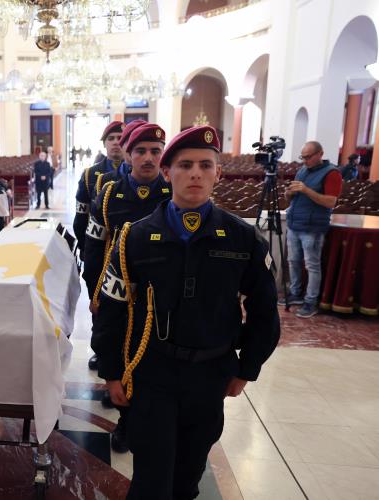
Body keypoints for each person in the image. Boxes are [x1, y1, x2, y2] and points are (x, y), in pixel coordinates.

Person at [92, 125, 280, 500]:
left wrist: (247, 368)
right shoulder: (135, 237)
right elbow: (112, 312)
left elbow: (264, 310)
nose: (196, 173)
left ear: (218, 173)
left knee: (188, 477)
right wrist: (112, 372)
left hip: (211, 374)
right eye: (185, 165)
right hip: (153, 372)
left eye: (205, 165)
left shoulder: (242, 239)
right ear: (167, 172)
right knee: (151, 479)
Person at [83, 123, 172, 449]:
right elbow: (94, 248)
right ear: (129, 154)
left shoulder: (172, 193)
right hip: (119, 292)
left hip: (163, 294)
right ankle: (126, 421)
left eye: (155, 151)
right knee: (122, 354)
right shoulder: (109, 194)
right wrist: (96, 293)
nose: (148, 158)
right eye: (141, 151)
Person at [283, 140, 342, 318]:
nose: (305, 161)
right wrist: (288, 193)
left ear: (320, 154)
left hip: (313, 227)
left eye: (308, 157)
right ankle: (295, 294)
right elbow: (290, 199)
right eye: (303, 157)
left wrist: (306, 190)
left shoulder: (332, 173)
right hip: (295, 223)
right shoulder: (302, 170)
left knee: (312, 265)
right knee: (293, 261)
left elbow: (331, 202)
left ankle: (310, 301)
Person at [73, 121, 125, 256]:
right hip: (97, 249)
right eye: (111, 138)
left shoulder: (136, 174)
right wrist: (85, 248)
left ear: (127, 143)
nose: (116, 142)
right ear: (104, 144)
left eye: (120, 138)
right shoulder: (89, 175)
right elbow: (81, 218)